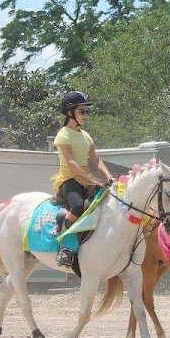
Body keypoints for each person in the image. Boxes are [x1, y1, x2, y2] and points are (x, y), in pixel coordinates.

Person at [51, 91, 116, 268]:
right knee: (78, 206)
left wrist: (108, 176)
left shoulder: (85, 135)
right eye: (82, 111)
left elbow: (96, 159)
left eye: (87, 112)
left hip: (87, 179)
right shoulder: (63, 134)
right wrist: (91, 178)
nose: (86, 115)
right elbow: (70, 162)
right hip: (70, 179)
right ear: (70, 113)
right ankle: (64, 245)